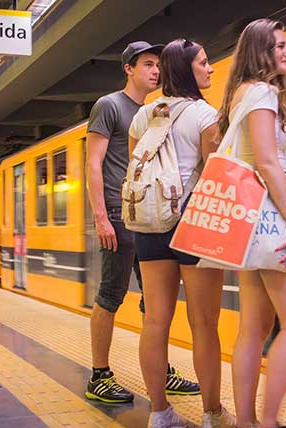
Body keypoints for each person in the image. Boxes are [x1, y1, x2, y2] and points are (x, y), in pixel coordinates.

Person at [128, 38, 236, 428]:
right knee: (204, 324)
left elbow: (138, 176)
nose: (210, 69)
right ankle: (212, 416)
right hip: (193, 225)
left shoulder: (143, 115)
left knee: (155, 321)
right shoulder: (205, 116)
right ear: (187, 70)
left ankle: (159, 414)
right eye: (204, 63)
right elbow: (216, 177)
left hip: (150, 227)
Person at [218, 19, 286, 428]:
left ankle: (244, 426)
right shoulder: (261, 93)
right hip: (270, 213)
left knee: (254, 329)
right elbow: (266, 161)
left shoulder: (242, 93)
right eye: (279, 45)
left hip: (249, 216)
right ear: (260, 51)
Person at [85, 41, 200, 404]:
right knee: (111, 294)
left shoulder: (157, 109)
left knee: (157, 301)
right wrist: (101, 217)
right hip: (120, 215)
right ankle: (99, 375)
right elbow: (93, 163)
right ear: (128, 69)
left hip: (152, 217)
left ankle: (160, 369)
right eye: (148, 64)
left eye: (158, 65)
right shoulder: (110, 106)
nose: (155, 71)